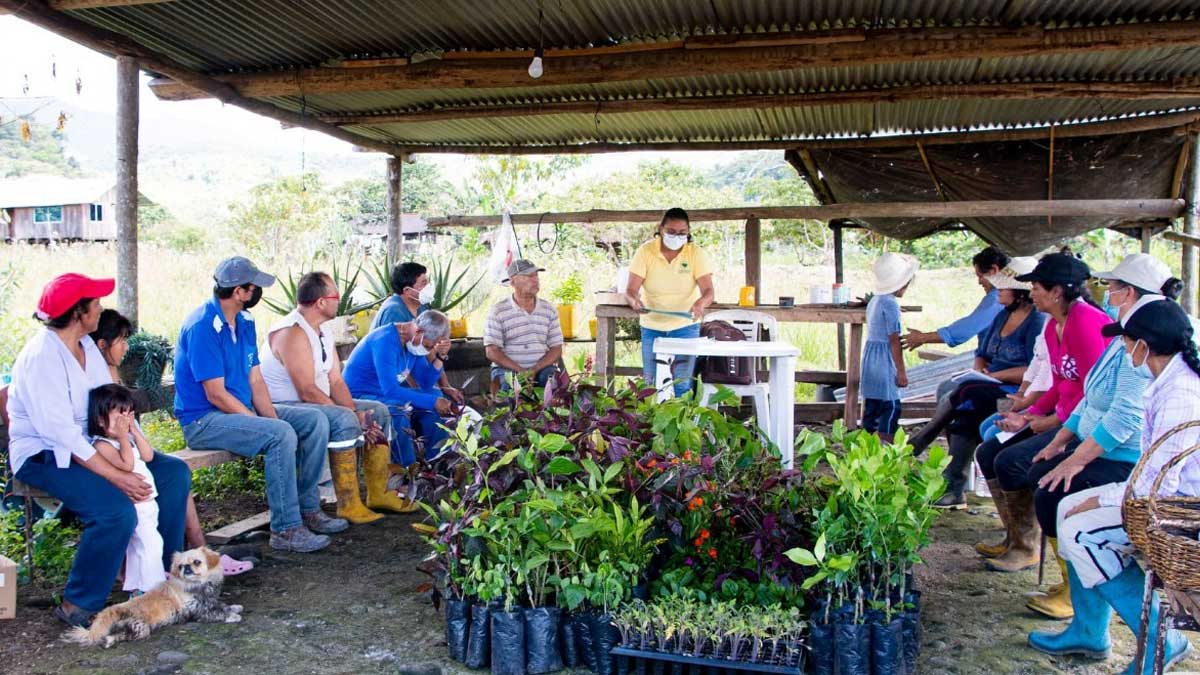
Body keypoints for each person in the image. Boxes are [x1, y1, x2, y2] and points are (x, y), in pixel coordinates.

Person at [7, 273, 190, 628]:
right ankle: (78, 604)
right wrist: (119, 476)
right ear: (79, 312)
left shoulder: (86, 346)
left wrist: (132, 442)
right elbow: (61, 435)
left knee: (171, 474)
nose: (101, 308)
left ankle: (163, 576)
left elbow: (107, 400)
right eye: (96, 303)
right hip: (44, 456)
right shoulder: (41, 357)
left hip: (91, 445)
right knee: (115, 512)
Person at [1029, 299, 1197, 674]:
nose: (1123, 348)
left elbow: (1157, 484)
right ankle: (1091, 631)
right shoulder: (1167, 379)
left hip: (1179, 509)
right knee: (1064, 508)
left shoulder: (1180, 394)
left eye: (1126, 342)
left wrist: (1101, 500)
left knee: (1081, 529)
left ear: (1144, 345)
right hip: (1160, 495)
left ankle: (1161, 636)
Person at [1018, 255, 1185, 617]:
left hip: (1125, 459)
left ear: (1130, 294)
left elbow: (1126, 419)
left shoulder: (1148, 350)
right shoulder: (1124, 334)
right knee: (1040, 474)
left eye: (1111, 287)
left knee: (1057, 494)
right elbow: (1091, 397)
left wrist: (1076, 463)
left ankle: (1086, 613)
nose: (1104, 293)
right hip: (1114, 455)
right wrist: (1060, 441)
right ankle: (1080, 604)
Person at [174, 257, 345, 554]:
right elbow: (215, 394)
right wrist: (263, 424)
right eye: (254, 287)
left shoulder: (244, 321)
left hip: (238, 411)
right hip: (203, 420)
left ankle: (309, 509)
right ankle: (286, 529)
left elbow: (256, 381)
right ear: (239, 292)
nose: (257, 292)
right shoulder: (203, 326)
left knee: (315, 421)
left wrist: (266, 417)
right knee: (280, 434)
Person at [973, 253, 1111, 577]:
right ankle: (1014, 538)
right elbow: (1060, 381)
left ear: (1057, 292)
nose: (1031, 293)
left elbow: (1094, 392)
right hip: (1064, 414)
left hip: (1086, 424)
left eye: (1035, 287)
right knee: (989, 450)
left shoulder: (1086, 323)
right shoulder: (1054, 326)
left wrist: (1050, 421)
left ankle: (1027, 549)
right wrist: (1029, 413)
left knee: (1012, 461)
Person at [260, 271, 413, 521]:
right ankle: (348, 502)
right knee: (343, 419)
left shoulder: (322, 330)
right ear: (320, 302)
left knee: (379, 411)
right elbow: (306, 390)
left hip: (311, 402)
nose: (338, 301)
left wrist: (358, 412)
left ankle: (379, 493)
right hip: (284, 406)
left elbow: (336, 380)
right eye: (335, 296)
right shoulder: (292, 331)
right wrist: (351, 416)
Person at [929, 257, 1045, 509]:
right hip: (989, 385)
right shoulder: (1000, 317)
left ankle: (951, 480)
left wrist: (995, 377)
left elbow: (1034, 371)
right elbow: (981, 353)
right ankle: (953, 479)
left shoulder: (1036, 322)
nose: (998, 291)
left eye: (1003, 287)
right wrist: (980, 371)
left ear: (1021, 293)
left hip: (1018, 397)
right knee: (953, 393)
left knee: (967, 405)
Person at [89, 310, 208, 551]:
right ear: (102, 345)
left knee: (176, 471)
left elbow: (130, 425)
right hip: (108, 455)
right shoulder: (89, 374)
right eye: (121, 341)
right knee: (170, 476)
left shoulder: (111, 370)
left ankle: (183, 551)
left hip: (129, 447)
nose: (126, 347)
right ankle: (171, 555)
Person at [343, 310, 455, 474]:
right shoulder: (385, 341)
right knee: (397, 409)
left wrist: (440, 357)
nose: (427, 351)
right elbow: (391, 391)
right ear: (419, 332)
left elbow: (425, 383)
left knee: (435, 395)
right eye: (429, 346)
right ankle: (405, 471)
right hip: (359, 397)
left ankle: (437, 463)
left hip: (383, 395)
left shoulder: (414, 344)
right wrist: (433, 402)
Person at [624, 207, 715, 397]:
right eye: (671, 232)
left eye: (682, 233)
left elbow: (709, 291)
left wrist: (700, 303)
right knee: (651, 384)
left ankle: (684, 425)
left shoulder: (695, 253)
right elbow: (631, 290)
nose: (677, 237)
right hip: (652, 326)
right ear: (661, 229)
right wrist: (634, 301)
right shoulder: (646, 251)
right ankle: (650, 425)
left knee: (682, 384)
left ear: (688, 233)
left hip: (685, 325)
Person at [87, 384, 164, 596]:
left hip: (147, 500)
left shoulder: (128, 439)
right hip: (135, 502)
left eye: (128, 413)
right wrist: (122, 438)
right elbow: (126, 465)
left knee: (142, 545)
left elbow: (148, 455)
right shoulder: (102, 445)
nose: (125, 419)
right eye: (119, 414)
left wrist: (133, 432)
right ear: (101, 420)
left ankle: (138, 587)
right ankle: (153, 588)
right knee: (150, 544)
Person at [902, 246, 1008, 351]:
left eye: (980, 276)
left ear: (994, 270)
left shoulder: (998, 297)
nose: (979, 282)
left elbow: (965, 329)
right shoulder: (1015, 291)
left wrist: (922, 338)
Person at [860, 253, 918, 443]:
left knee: (873, 404)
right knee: (891, 405)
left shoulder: (875, 300)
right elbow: (894, 340)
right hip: (885, 358)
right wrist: (901, 371)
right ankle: (886, 443)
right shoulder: (891, 304)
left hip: (870, 357)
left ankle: (867, 441)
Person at [484, 259, 563, 390]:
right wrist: (521, 371)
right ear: (513, 281)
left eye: (536, 275)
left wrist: (534, 370)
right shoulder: (498, 311)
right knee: (510, 387)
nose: (535, 280)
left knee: (554, 382)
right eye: (529, 276)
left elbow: (556, 348)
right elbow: (492, 352)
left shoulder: (548, 309)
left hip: (541, 369)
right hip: (508, 369)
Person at [371, 261, 432, 329]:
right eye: (424, 283)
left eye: (428, 282)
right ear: (407, 291)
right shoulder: (393, 312)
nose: (429, 286)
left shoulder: (421, 305)